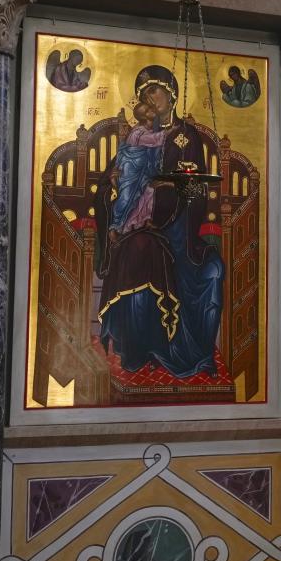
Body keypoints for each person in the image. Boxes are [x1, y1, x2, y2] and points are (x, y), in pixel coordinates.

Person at [93, 64, 225, 378]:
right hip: (138, 226)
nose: (153, 98)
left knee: (214, 270)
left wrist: (167, 185)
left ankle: (192, 354)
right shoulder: (137, 137)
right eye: (146, 93)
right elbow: (110, 182)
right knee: (141, 249)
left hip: (179, 228)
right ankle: (138, 349)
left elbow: (198, 187)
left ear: (172, 94)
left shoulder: (186, 136)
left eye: (157, 90)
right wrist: (113, 183)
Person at [107, 101, 166, 240]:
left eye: (151, 107)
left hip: (143, 170)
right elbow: (155, 140)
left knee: (149, 191)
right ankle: (115, 227)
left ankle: (144, 220)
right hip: (130, 170)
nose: (152, 110)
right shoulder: (137, 133)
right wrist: (170, 131)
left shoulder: (150, 129)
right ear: (144, 117)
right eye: (148, 110)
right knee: (126, 197)